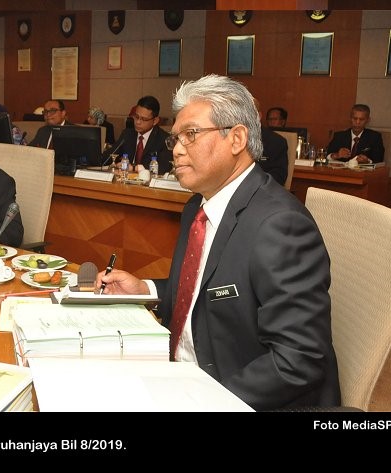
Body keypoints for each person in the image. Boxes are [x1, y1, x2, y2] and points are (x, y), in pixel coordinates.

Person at [96, 74, 340, 411]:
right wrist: (145, 289)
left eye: (191, 134)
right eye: (176, 138)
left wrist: (207, 403)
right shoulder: (197, 206)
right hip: (181, 377)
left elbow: (298, 358)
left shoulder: (280, 225)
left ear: (236, 138)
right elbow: (202, 292)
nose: (177, 149)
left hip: (232, 394)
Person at [107, 95, 173, 173]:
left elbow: (164, 167)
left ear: (155, 121)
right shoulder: (127, 134)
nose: (138, 122)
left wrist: (134, 168)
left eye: (143, 119)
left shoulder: (164, 139)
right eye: (136, 116)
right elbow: (109, 157)